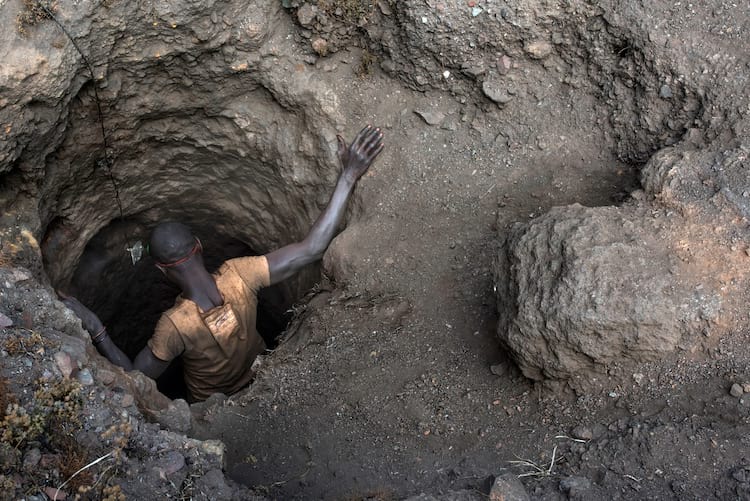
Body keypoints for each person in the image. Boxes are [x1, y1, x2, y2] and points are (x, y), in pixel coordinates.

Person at [62, 125, 384, 402]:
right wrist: (348, 175)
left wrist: (96, 328)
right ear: (200, 246)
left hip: (208, 407)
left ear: (161, 270)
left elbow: (134, 376)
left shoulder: (174, 325)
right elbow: (312, 248)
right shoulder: (241, 274)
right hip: (262, 378)